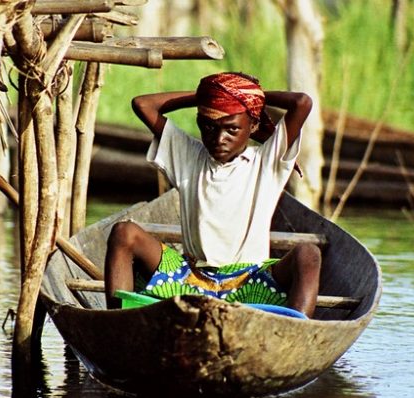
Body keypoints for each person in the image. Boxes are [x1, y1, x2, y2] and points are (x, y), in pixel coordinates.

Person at [103, 72, 321, 318]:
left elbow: (302, 102)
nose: (219, 138)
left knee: (309, 253)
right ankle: (117, 322)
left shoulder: (265, 162)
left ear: (254, 125)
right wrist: (208, 96)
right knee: (124, 232)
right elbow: (143, 104)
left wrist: (245, 96)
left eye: (232, 129)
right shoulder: (189, 156)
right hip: (190, 277)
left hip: (251, 282)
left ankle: (294, 329)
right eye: (209, 126)